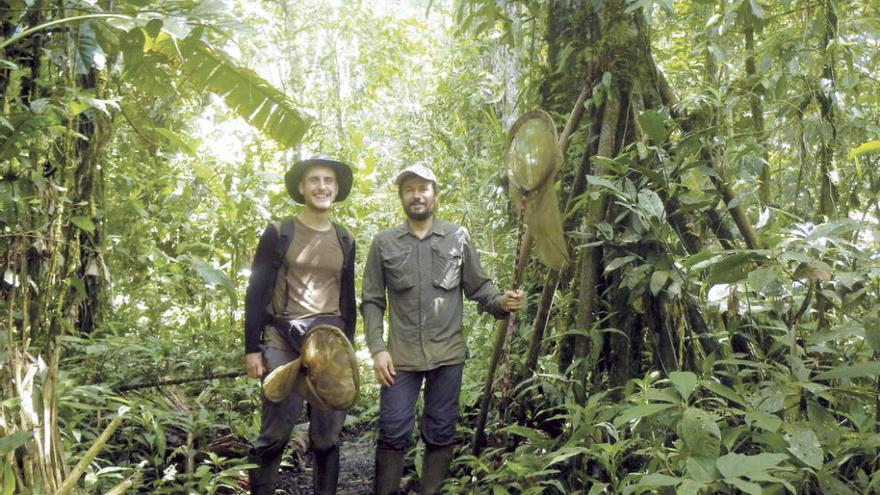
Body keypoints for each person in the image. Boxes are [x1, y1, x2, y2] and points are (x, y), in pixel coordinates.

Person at [361, 164, 524, 495]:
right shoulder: (384, 243)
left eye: (423, 188)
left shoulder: (457, 237)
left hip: (447, 355)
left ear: (435, 194)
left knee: (440, 431)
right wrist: (377, 350)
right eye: (409, 189)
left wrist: (502, 302)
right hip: (400, 358)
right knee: (393, 431)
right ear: (402, 197)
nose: (416, 194)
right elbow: (372, 301)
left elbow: (479, 288)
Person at [243, 155, 356, 495]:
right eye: (315, 180)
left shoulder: (345, 239)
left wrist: (347, 352)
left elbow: (348, 299)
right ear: (302, 187)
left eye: (329, 181)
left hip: (329, 346)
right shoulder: (280, 233)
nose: (322, 187)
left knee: (327, 437)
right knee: (274, 434)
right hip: (282, 341)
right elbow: (256, 290)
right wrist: (252, 347)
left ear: (336, 190)